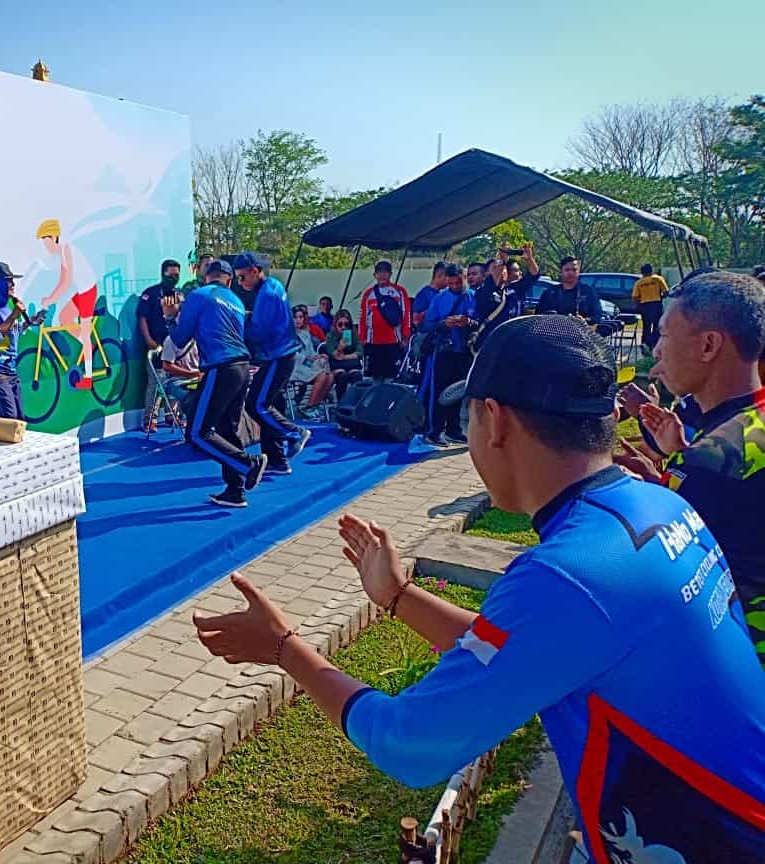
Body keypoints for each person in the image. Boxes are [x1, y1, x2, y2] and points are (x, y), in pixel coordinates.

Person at [192, 315, 765, 864]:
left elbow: (410, 744)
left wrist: (282, 648)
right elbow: (540, 647)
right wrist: (398, 596)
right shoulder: (654, 505)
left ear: (495, 420)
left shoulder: (569, 574)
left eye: (466, 420)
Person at [612, 270, 765, 667]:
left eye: (663, 334)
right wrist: (675, 460)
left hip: (740, 662)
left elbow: (656, 569)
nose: (656, 351)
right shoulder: (737, 435)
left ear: (710, 344)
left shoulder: (711, 461)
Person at [163, 260, 268, 508]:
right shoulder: (236, 302)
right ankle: (235, 490)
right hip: (242, 368)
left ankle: (248, 464)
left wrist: (170, 317)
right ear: (229, 280)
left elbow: (179, 338)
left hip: (220, 368)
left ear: (205, 277)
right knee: (227, 430)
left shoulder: (199, 296)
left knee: (197, 433)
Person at [234, 251, 312, 476]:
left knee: (256, 405)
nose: (240, 283)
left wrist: (237, 322)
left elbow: (258, 332)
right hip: (281, 354)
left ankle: (296, 433)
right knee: (272, 408)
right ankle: (278, 460)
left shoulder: (266, 295)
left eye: (242, 277)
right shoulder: (274, 285)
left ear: (255, 271)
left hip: (277, 356)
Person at [0, 261, 44, 420]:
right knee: (9, 421)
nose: (13, 284)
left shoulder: (8, 305)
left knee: (20, 420)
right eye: (8, 280)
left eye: (12, 280)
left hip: (10, 369)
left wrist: (28, 322)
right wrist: (14, 316)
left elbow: (9, 334)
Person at [36, 219, 101, 390]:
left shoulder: (67, 249)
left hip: (88, 290)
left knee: (85, 332)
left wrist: (50, 300)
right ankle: (88, 345)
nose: (45, 246)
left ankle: (88, 378)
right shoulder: (62, 253)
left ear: (54, 237)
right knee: (64, 318)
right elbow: (62, 280)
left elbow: (67, 282)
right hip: (81, 291)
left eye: (46, 241)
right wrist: (50, 297)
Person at [420, 265, 475, 445]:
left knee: (458, 391)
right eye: (450, 283)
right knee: (439, 392)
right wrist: (445, 324)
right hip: (444, 352)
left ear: (465, 278)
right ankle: (434, 431)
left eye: (458, 282)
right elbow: (427, 325)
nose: (454, 286)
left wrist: (467, 322)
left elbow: (481, 322)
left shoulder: (473, 297)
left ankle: (454, 429)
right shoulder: (440, 298)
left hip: (464, 351)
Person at [137, 259, 183, 431]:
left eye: (177, 275)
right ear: (163, 273)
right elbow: (142, 318)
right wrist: (148, 340)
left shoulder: (180, 294)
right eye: (171, 275)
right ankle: (150, 419)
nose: (174, 278)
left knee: (177, 381)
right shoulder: (151, 293)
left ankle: (173, 415)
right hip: (157, 346)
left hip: (177, 347)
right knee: (156, 382)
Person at [473, 244, 540, 350]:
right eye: (496, 267)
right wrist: (503, 259)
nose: (502, 270)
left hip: (512, 344)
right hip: (489, 345)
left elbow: (534, 275)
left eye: (504, 268)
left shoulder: (515, 289)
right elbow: (493, 281)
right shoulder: (483, 291)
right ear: (486, 274)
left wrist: (529, 259)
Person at [359, 260, 411, 380]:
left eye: (385, 272)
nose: (382, 275)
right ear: (374, 275)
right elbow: (362, 317)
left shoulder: (400, 291)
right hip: (372, 343)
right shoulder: (368, 294)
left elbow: (406, 314)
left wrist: (405, 336)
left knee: (391, 376)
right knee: (373, 377)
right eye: (379, 272)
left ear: (390, 274)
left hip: (393, 342)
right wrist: (362, 338)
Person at [290, 305, 335, 418]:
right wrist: (307, 358)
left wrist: (319, 356)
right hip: (294, 366)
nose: (298, 320)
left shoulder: (305, 334)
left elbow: (311, 353)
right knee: (322, 376)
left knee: (330, 376)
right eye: (295, 317)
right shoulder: (286, 335)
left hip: (307, 365)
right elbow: (290, 354)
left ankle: (315, 405)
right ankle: (308, 407)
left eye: (300, 317)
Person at [537, 256, 603, 323]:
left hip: (580, 331)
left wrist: (584, 320)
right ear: (561, 271)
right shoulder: (549, 293)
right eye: (567, 270)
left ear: (578, 271)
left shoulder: (589, 292)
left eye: (574, 270)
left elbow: (597, 316)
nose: (570, 273)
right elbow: (538, 316)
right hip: (554, 330)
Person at [160, 331, 201, 427]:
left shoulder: (201, 338)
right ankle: (194, 428)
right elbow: (167, 366)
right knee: (192, 398)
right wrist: (190, 374)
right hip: (175, 381)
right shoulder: (171, 340)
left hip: (196, 380)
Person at [324, 309, 364, 398]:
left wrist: (345, 357)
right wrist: (340, 348)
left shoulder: (354, 335)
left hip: (351, 364)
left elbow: (360, 351)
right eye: (340, 324)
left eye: (346, 324)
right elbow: (333, 354)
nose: (343, 327)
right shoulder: (330, 336)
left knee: (356, 376)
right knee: (342, 375)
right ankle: (341, 403)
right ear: (335, 325)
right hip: (337, 366)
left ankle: (355, 402)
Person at [633, 263, 669, 350]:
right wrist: (661, 296)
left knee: (646, 326)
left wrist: (640, 304)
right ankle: (653, 344)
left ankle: (644, 344)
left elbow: (635, 297)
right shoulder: (658, 279)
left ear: (642, 272)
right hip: (656, 304)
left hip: (645, 305)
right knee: (657, 326)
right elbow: (666, 292)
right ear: (651, 270)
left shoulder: (639, 283)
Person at [411, 262, 447, 332]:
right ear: (439, 275)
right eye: (447, 277)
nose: (449, 280)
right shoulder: (423, 294)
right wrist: (433, 310)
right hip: (427, 338)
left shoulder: (443, 295)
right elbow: (416, 321)